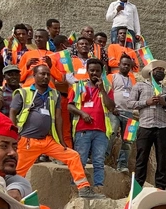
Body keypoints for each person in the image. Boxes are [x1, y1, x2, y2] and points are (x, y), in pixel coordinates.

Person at [9, 64, 100, 199]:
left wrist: (61, 140)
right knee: (18, 172)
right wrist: (14, 136)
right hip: (27, 141)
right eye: (42, 74)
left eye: (48, 74)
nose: (46, 77)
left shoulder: (55, 94)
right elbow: (12, 112)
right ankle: (10, 196)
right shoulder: (24, 92)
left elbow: (58, 117)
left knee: (73, 156)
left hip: (48, 140)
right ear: (34, 76)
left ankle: (83, 189)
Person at [67, 59, 114, 193]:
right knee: (80, 161)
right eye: (92, 70)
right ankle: (77, 188)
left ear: (102, 72)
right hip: (83, 130)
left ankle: (99, 187)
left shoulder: (107, 87)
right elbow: (69, 106)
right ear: (87, 71)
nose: (94, 73)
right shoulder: (78, 86)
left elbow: (111, 107)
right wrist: (82, 113)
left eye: (97, 71)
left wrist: (102, 90)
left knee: (98, 161)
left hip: (101, 130)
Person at [130, 60, 166, 191]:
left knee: (162, 159)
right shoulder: (139, 86)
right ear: (151, 72)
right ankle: (137, 188)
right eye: (158, 69)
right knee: (141, 159)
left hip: (162, 128)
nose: (161, 72)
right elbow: (130, 103)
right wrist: (146, 102)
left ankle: (160, 188)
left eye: (162, 70)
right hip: (145, 127)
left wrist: (164, 103)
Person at [109, 54, 136, 174]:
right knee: (111, 132)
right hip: (115, 111)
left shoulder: (132, 79)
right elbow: (107, 92)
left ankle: (122, 164)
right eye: (124, 64)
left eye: (128, 65)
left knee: (128, 140)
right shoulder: (112, 77)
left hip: (129, 113)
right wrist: (111, 107)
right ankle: (102, 158)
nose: (126, 67)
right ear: (119, 65)